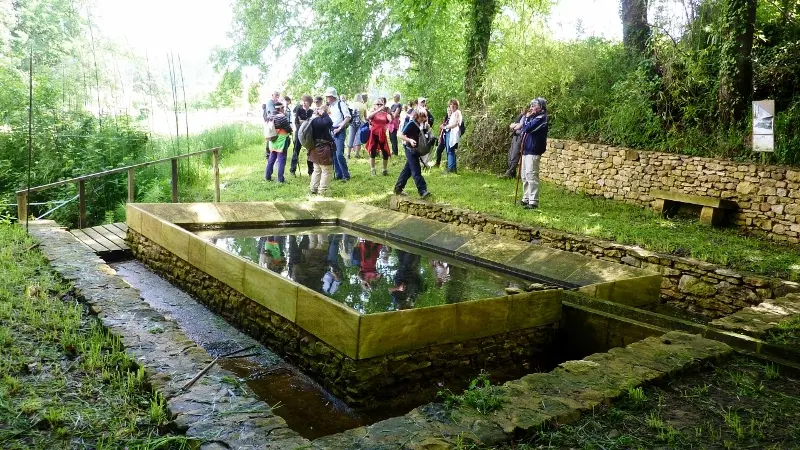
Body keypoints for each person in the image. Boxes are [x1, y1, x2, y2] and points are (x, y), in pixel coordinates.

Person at [518, 98, 549, 209]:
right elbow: (522, 129)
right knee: (524, 175)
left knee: (531, 175)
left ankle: (533, 201)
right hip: (526, 149)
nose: (531, 108)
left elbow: (527, 128)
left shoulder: (541, 118)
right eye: (531, 106)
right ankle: (526, 198)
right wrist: (527, 118)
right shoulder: (533, 117)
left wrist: (526, 118)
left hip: (534, 149)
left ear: (541, 107)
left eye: (534, 106)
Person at [395, 108, 431, 199]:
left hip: (417, 150)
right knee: (416, 170)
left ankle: (398, 188)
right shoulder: (411, 124)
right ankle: (422, 191)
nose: (422, 118)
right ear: (416, 115)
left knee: (407, 170)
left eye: (424, 116)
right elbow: (400, 134)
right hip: (410, 149)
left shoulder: (424, 125)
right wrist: (409, 140)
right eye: (420, 116)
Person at [324, 87, 351, 181]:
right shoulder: (330, 106)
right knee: (334, 154)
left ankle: (346, 175)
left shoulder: (341, 104)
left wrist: (340, 128)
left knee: (339, 153)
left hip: (340, 130)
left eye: (328, 96)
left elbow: (347, 117)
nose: (326, 98)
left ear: (332, 96)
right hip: (332, 130)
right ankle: (339, 174)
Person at [309, 104, 335, 195]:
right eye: (328, 112)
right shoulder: (318, 120)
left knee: (317, 169)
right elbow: (329, 122)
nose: (329, 113)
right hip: (322, 148)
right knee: (326, 170)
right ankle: (323, 191)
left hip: (315, 148)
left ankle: (313, 188)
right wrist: (324, 113)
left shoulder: (313, 120)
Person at [265, 101, 293, 183]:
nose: (284, 109)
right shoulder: (281, 116)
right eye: (283, 108)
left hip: (272, 140)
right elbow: (288, 129)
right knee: (281, 160)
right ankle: (280, 179)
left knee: (271, 158)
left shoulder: (270, 116)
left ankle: (267, 176)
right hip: (281, 140)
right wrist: (291, 130)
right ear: (280, 108)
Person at [365, 96, 393, 176]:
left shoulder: (385, 113)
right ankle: (373, 169)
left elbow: (390, 119)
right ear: (374, 105)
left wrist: (390, 112)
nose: (379, 105)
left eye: (381, 104)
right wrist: (377, 110)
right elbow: (368, 117)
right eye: (377, 104)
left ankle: (384, 169)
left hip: (382, 134)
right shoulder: (372, 112)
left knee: (385, 152)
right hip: (374, 134)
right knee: (373, 151)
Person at [291, 95, 315, 177]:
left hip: (308, 135)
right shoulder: (299, 109)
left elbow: (312, 122)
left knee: (310, 152)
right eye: (303, 101)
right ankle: (292, 169)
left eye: (306, 101)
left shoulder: (312, 112)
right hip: (299, 133)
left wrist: (303, 122)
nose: (304, 103)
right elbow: (297, 121)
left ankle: (311, 171)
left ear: (309, 103)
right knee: (296, 150)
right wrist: (307, 122)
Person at [502, 106, 528, 178]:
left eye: (524, 109)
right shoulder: (521, 116)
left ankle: (510, 172)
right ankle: (511, 172)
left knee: (515, 154)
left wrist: (515, 125)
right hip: (515, 136)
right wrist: (514, 125)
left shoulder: (526, 118)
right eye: (522, 109)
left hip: (520, 137)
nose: (522, 111)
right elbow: (511, 126)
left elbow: (518, 126)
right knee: (511, 154)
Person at [441, 98, 463, 173]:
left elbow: (457, 123)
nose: (452, 106)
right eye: (451, 104)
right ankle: (453, 168)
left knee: (450, 150)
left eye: (454, 104)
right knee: (450, 151)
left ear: (457, 105)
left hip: (453, 133)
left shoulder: (457, 112)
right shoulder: (452, 114)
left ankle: (450, 169)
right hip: (449, 132)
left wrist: (446, 127)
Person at [346, 93, 367, 159]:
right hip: (360, 123)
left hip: (352, 123)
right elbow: (365, 117)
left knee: (350, 137)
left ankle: (348, 154)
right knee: (358, 138)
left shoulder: (351, 105)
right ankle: (357, 154)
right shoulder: (363, 105)